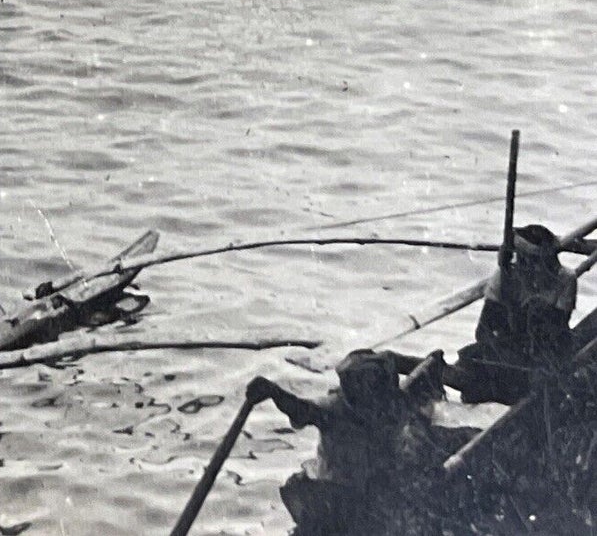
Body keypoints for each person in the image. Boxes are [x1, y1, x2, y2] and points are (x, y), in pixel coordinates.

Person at [247, 349, 440, 535]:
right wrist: (274, 392)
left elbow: (417, 419)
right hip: (337, 494)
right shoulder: (334, 409)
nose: (372, 396)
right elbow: (301, 410)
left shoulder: (393, 405)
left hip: (376, 493)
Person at [445, 224, 577, 404]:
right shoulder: (505, 277)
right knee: (476, 360)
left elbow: (557, 328)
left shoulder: (565, 279)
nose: (542, 269)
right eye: (532, 262)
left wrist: (530, 314)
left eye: (547, 263)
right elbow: (484, 330)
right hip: (510, 346)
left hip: (543, 349)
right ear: (524, 260)